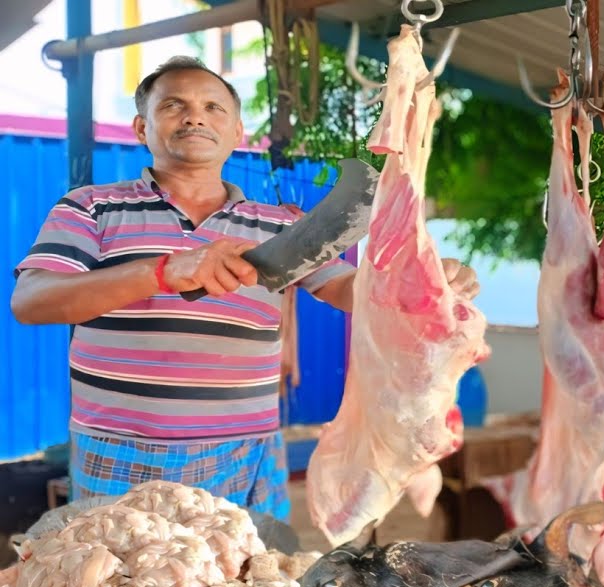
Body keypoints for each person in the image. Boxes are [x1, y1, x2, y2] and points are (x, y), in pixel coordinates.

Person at [8, 56, 479, 521]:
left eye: (214, 107)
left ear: (236, 133)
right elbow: (32, 301)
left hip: (245, 453)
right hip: (118, 450)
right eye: (174, 105)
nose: (195, 115)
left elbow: (349, 290)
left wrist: (421, 284)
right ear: (140, 128)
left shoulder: (279, 227)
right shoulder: (91, 207)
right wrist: (162, 272)